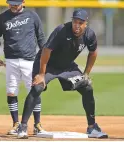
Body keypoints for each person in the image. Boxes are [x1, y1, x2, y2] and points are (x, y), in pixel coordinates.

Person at [17, 9, 108, 139]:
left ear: (85, 23)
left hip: (67, 66)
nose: (77, 25)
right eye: (75, 21)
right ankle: (23, 126)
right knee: (37, 87)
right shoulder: (61, 30)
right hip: (48, 64)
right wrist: (42, 74)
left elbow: (93, 52)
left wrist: (86, 74)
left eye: (80, 22)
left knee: (87, 87)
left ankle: (92, 127)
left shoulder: (89, 35)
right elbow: (46, 51)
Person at [0, 0, 46, 135]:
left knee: (34, 91)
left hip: (30, 60)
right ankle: (16, 124)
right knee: (11, 91)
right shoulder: (2, 18)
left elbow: (40, 37)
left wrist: (44, 58)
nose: (13, 5)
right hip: (10, 60)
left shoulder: (32, 16)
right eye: (11, 3)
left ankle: (37, 124)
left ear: (23, 2)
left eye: (16, 3)